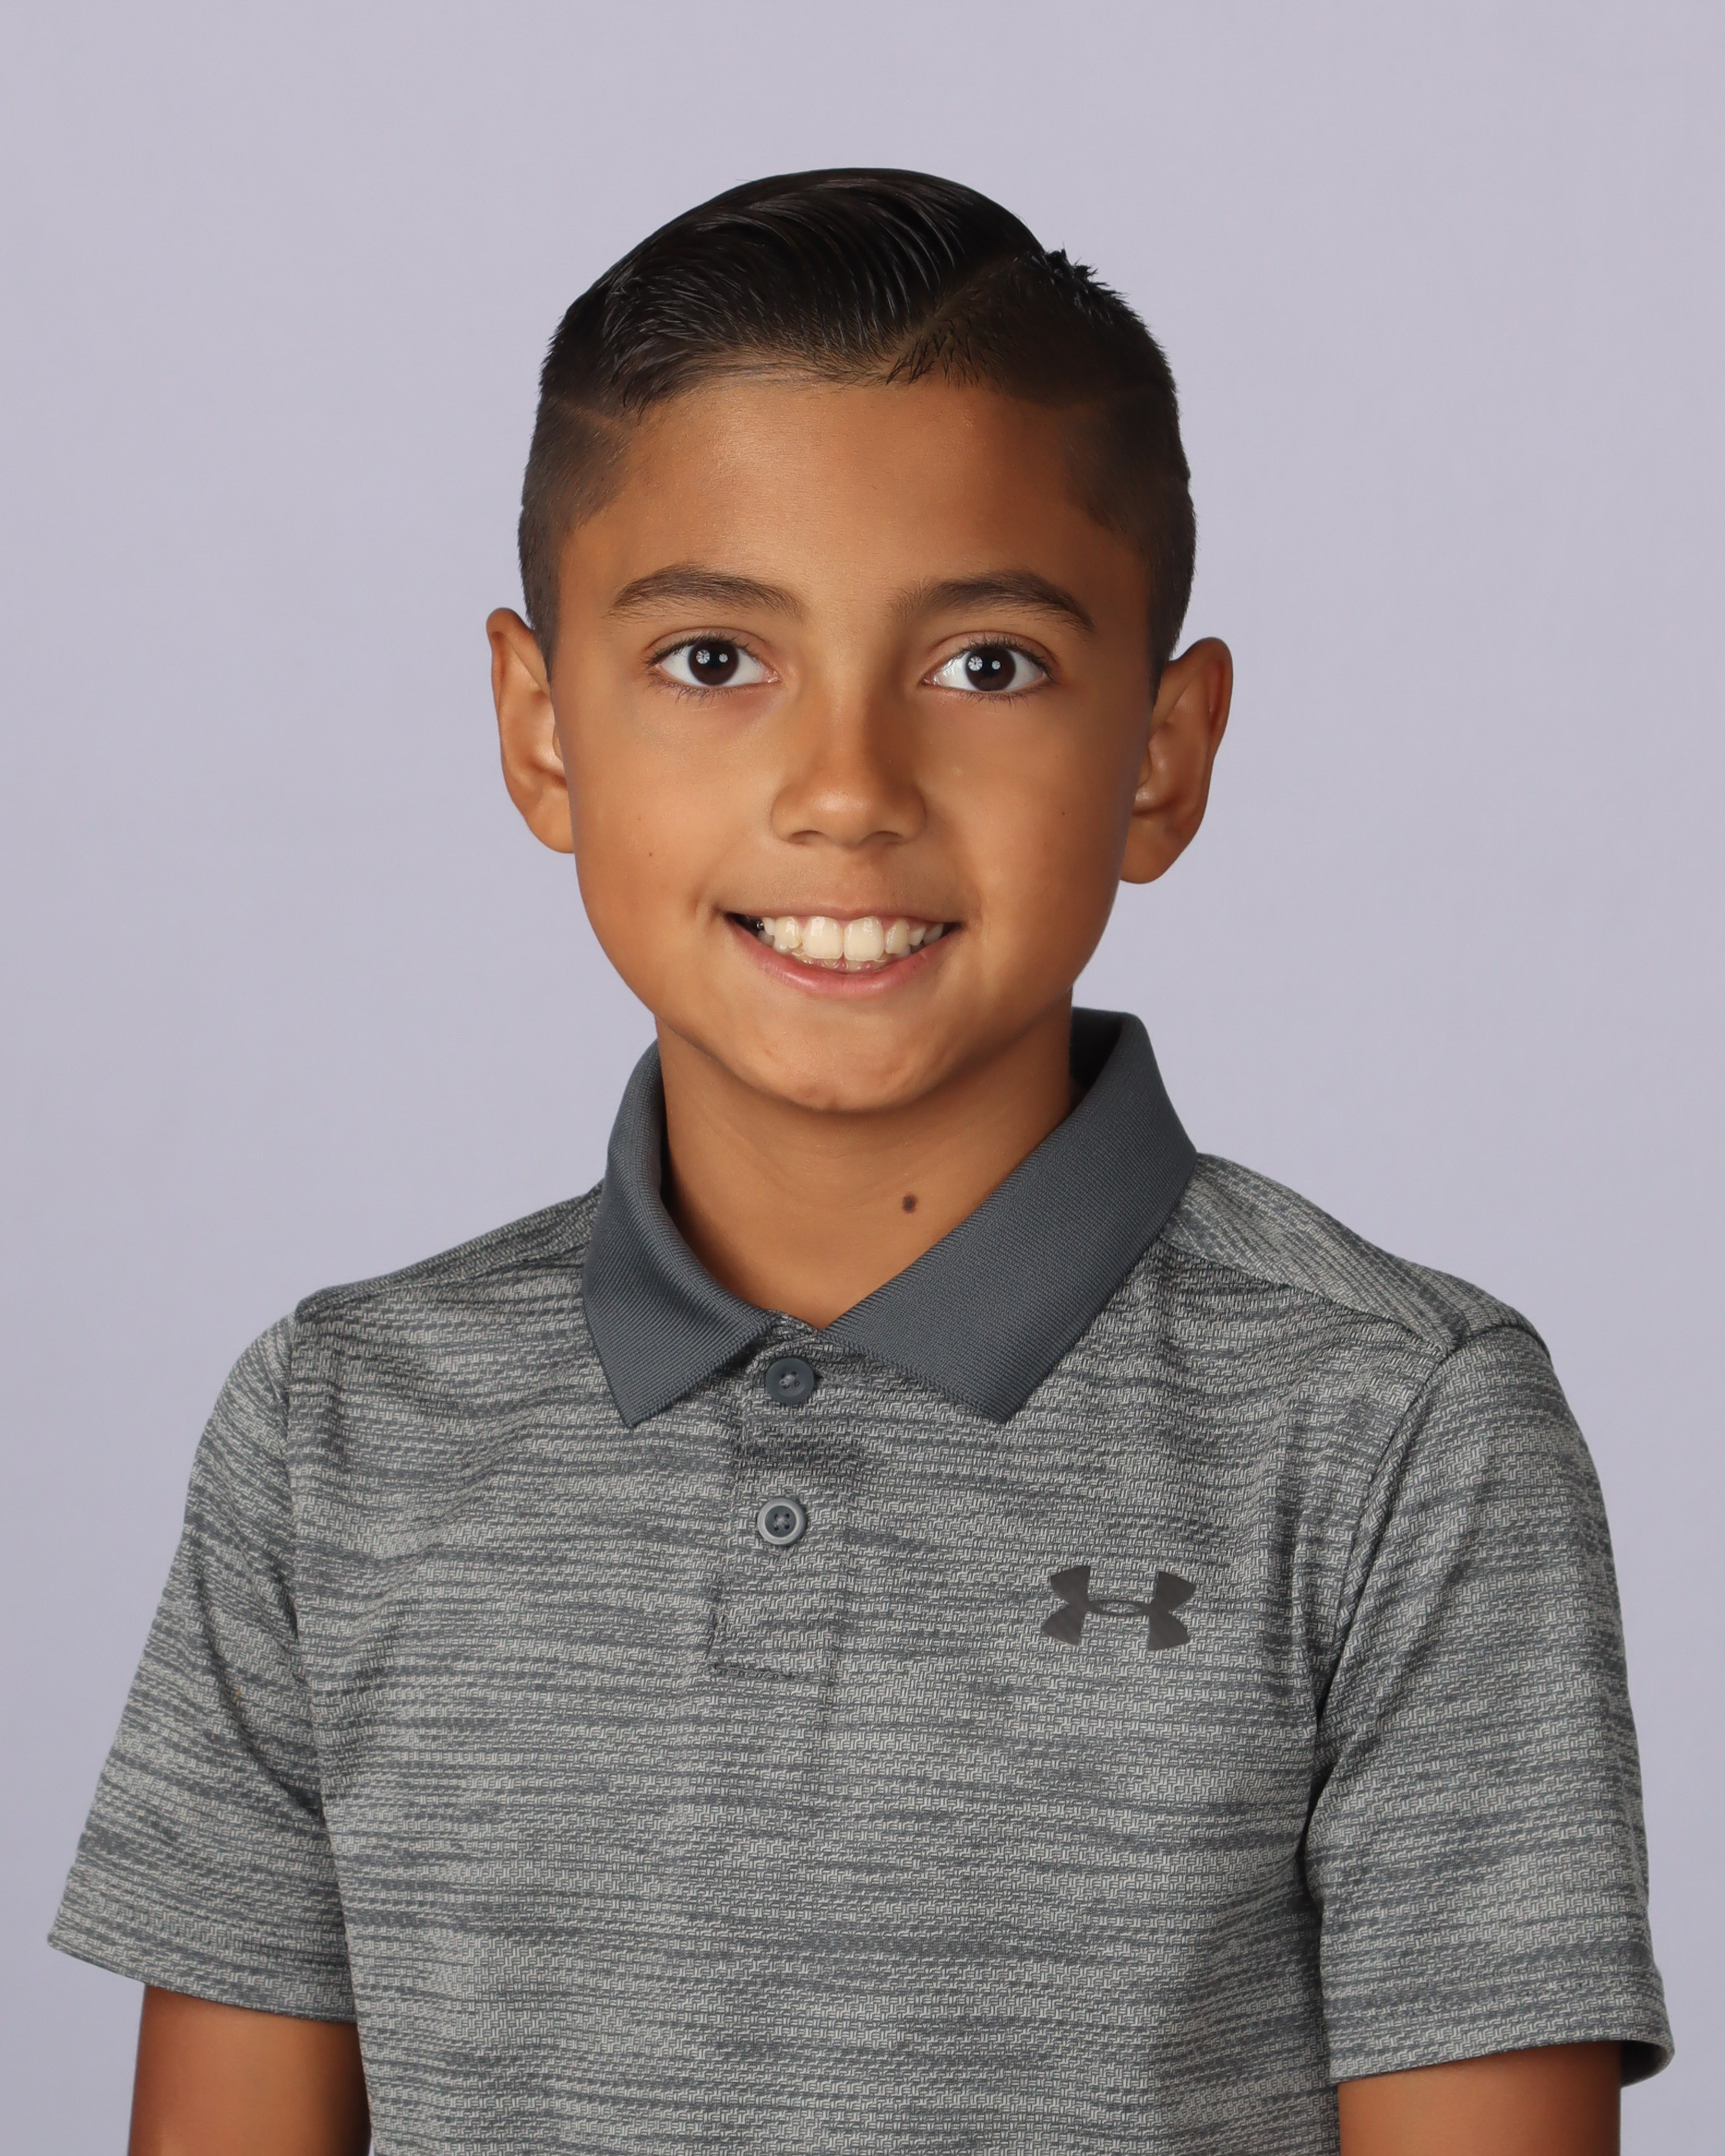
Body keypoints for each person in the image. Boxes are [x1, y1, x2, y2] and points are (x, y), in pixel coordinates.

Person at [54, 169, 1669, 2155]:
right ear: (541, 731)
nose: (845, 792)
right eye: (713, 660)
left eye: (985, 664)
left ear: (1164, 753)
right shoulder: (337, 1429)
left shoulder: (1400, 1433)